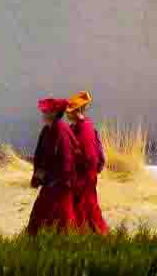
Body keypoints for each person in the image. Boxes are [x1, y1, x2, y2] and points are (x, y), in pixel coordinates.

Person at [26, 97, 82, 235]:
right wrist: (38, 176)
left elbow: (65, 158)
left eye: (46, 111)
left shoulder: (60, 130)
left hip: (60, 183)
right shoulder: (49, 129)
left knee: (60, 217)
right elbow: (42, 155)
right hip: (52, 182)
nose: (43, 114)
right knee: (42, 214)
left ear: (54, 113)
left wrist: (52, 179)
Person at [65, 90, 108, 234]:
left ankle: (90, 233)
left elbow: (89, 155)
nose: (67, 115)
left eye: (69, 112)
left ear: (77, 111)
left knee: (86, 206)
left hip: (84, 177)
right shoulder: (76, 127)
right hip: (78, 175)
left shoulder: (85, 128)